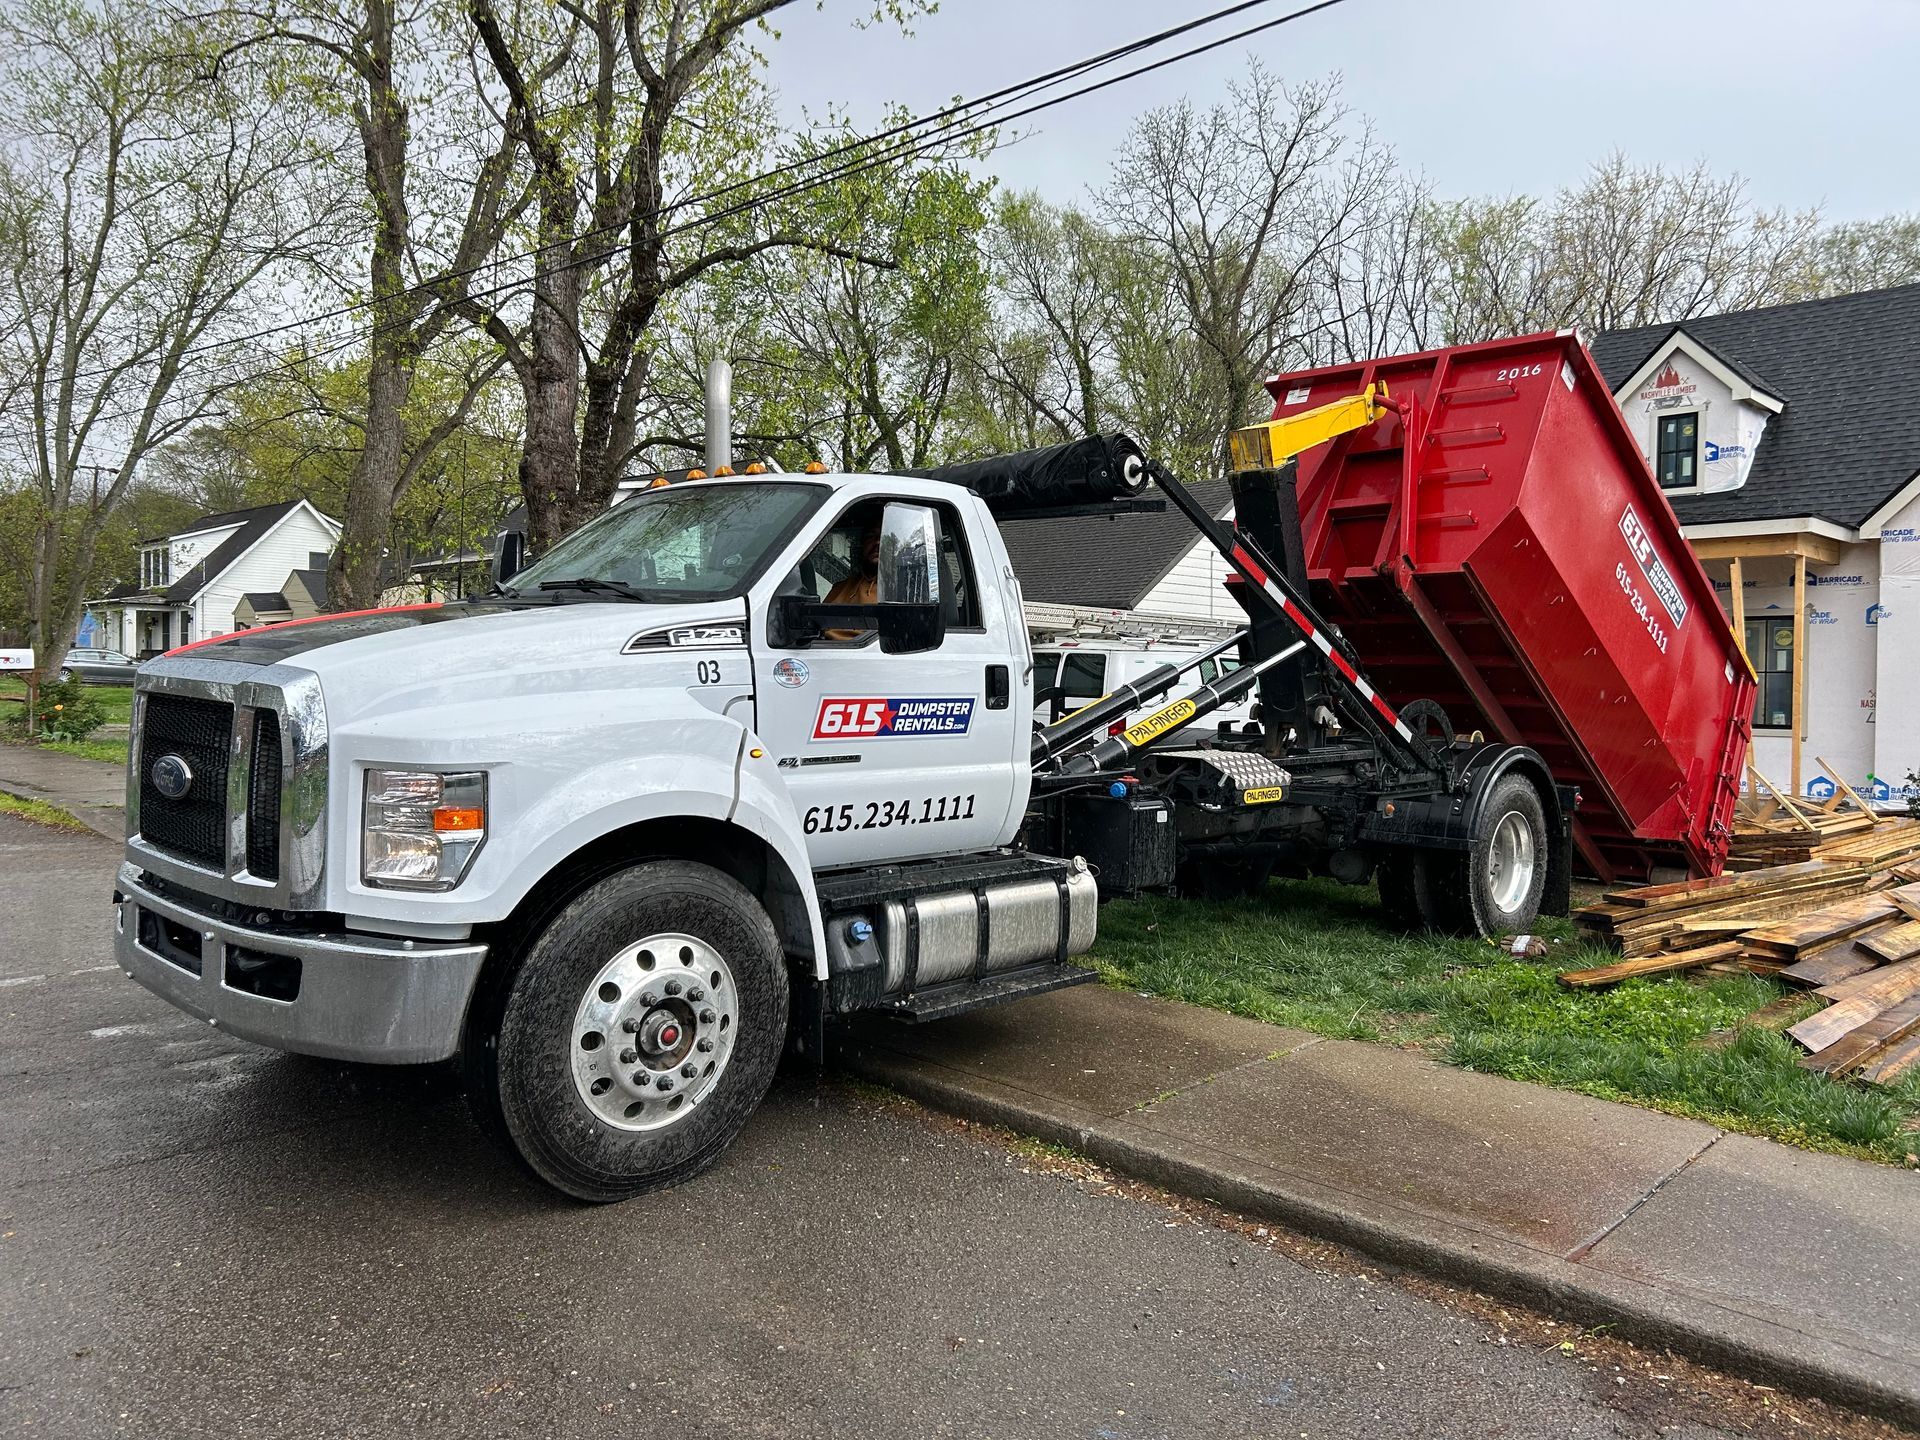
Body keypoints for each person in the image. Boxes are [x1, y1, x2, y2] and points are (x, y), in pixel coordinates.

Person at [823, 522, 881, 640]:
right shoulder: (840, 588)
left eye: (884, 535)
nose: (877, 542)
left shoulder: (907, 591)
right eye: (870, 536)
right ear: (861, 545)